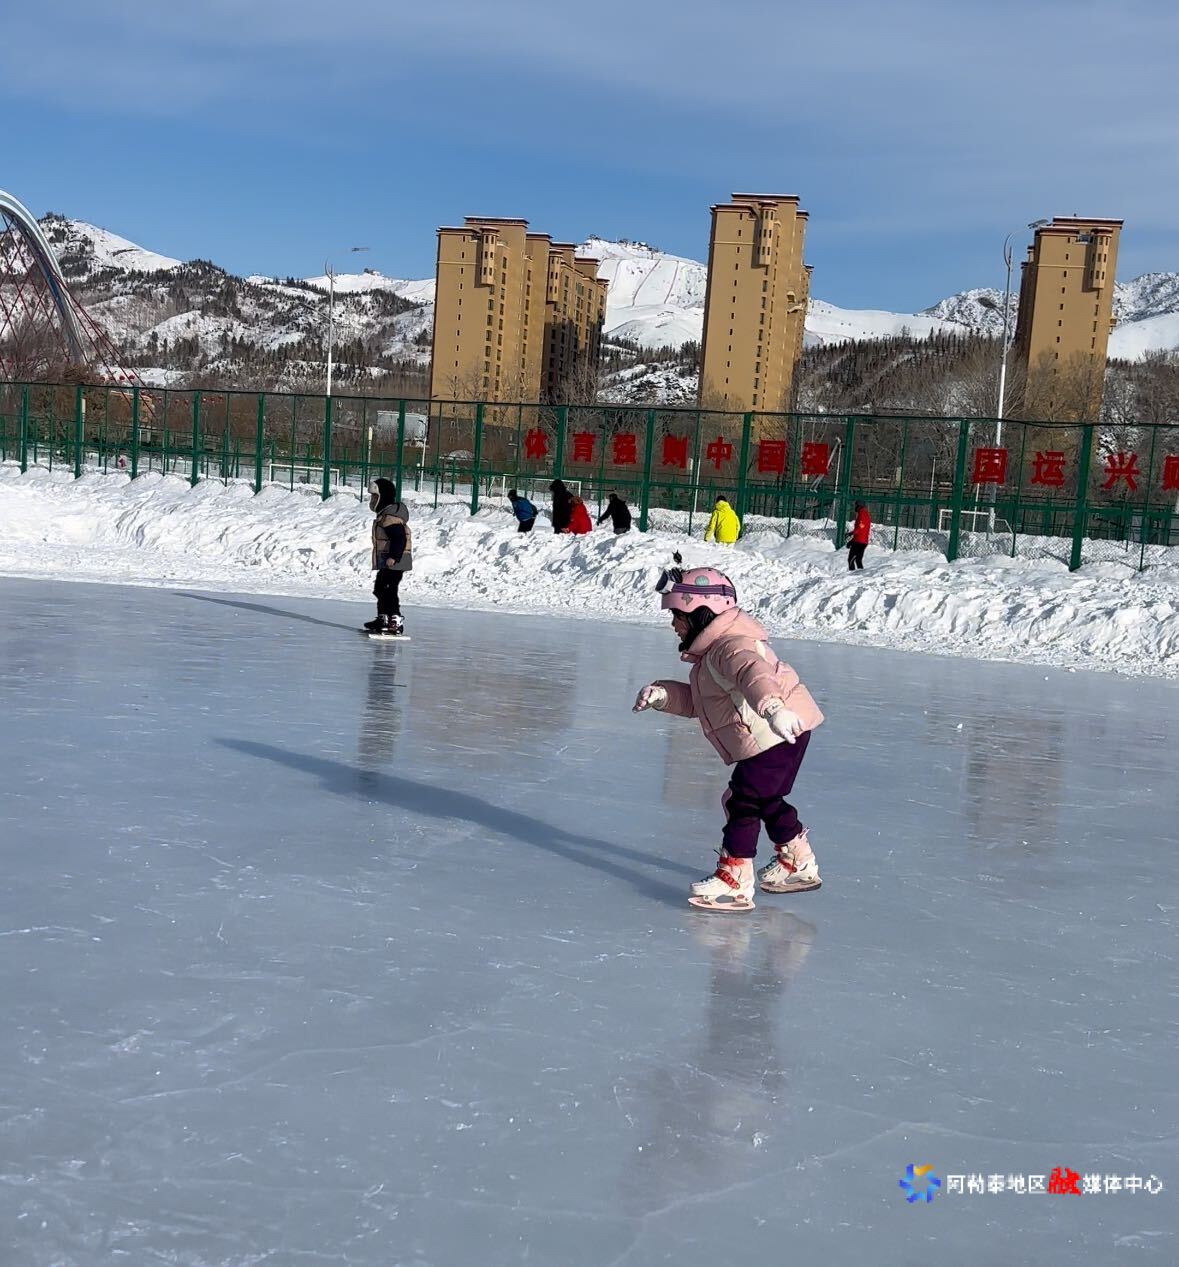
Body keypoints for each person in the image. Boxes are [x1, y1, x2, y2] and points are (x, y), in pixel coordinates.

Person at [632, 564, 824, 911]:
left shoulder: (730, 647)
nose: (673, 625)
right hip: (775, 732)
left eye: (677, 616)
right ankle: (797, 861)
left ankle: (735, 877)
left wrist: (773, 708)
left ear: (701, 613)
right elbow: (700, 703)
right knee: (763, 800)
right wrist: (663, 695)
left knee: (742, 801)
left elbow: (754, 674)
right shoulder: (711, 657)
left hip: (777, 730)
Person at [364, 478, 412, 636]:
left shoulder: (390, 517)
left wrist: (393, 557)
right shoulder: (385, 515)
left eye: (375, 497)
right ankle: (383, 618)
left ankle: (395, 620)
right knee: (380, 588)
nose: (372, 500)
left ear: (383, 497)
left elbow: (400, 538)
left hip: (395, 561)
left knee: (389, 590)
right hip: (389, 560)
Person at [846, 501, 870, 570]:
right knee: (858, 560)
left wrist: (851, 533)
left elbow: (860, 527)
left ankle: (852, 574)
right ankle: (860, 575)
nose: (855, 507)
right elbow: (862, 529)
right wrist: (852, 541)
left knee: (851, 559)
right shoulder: (865, 514)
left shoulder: (862, 514)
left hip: (859, 541)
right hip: (862, 541)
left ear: (859, 506)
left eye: (856, 505)